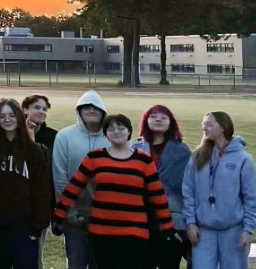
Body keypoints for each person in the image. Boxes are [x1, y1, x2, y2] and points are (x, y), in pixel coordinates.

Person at [53, 114, 173, 269]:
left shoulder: (144, 161)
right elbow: (73, 188)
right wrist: (59, 215)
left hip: (134, 233)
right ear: (106, 134)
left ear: (129, 132)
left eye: (121, 128)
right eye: (111, 129)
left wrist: (168, 227)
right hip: (101, 232)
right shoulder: (95, 157)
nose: (116, 131)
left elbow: (158, 197)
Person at [184, 111, 256, 269]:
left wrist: (248, 230)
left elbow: (251, 198)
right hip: (203, 231)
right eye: (203, 124)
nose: (204, 128)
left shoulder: (243, 159)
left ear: (224, 126)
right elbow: (188, 191)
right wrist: (190, 222)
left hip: (234, 231)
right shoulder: (197, 156)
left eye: (209, 124)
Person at [0, 99, 51, 269]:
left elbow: (42, 189)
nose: (7, 119)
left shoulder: (32, 150)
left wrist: (36, 227)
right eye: (2, 116)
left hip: (24, 228)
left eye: (12, 115)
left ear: (19, 117)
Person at [50, 90, 109, 269]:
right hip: (73, 215)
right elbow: (59, 176)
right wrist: (69, 210)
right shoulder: (65, 136)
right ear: (79, 111)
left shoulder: (111, 137)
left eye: (96, 107)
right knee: (76, 261)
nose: (91, 110)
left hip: (104, 216)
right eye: (86, 107)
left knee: (100, 262)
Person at [131, 105, 192, 269]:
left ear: (170, 123)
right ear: (146, 121)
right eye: (153, 116)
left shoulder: (181, 150)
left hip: (173, 219)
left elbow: (185, 184)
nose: (158, 119)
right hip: (140, 220)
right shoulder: (134, 148)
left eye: (163, 117)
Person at [21, 94, 56, 267]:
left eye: (44, 109)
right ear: (25, 110)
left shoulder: (53, 137)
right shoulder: (15, 134)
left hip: (41, 204)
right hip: (15, 204)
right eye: (36, 107)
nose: (41, 111)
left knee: (35, 256)